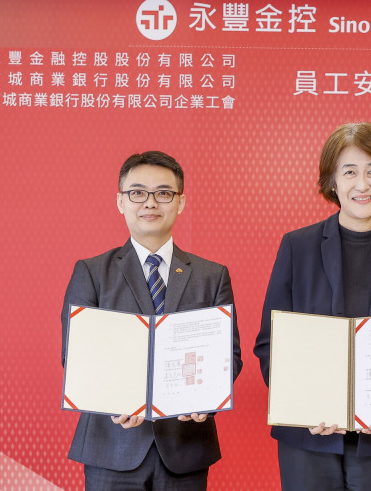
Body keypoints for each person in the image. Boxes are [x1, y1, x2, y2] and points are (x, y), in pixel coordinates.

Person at [254, 122, 371, 490]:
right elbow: (270, 342)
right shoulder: (297, 246)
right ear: (332, 181)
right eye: (349, 172)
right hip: (308, 437)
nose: (362, 184)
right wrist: (301, 405)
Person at [60, 151, 242, 490]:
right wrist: (111, 400)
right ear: (121, 201)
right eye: (137, 192)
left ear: (180, 202)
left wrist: (207, 399)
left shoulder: (212, 276)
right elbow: (76, 356)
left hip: (186, 446)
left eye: (163, 193)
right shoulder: (92, 272)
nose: (150, 202)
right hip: (111, 447)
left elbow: (228, 357)